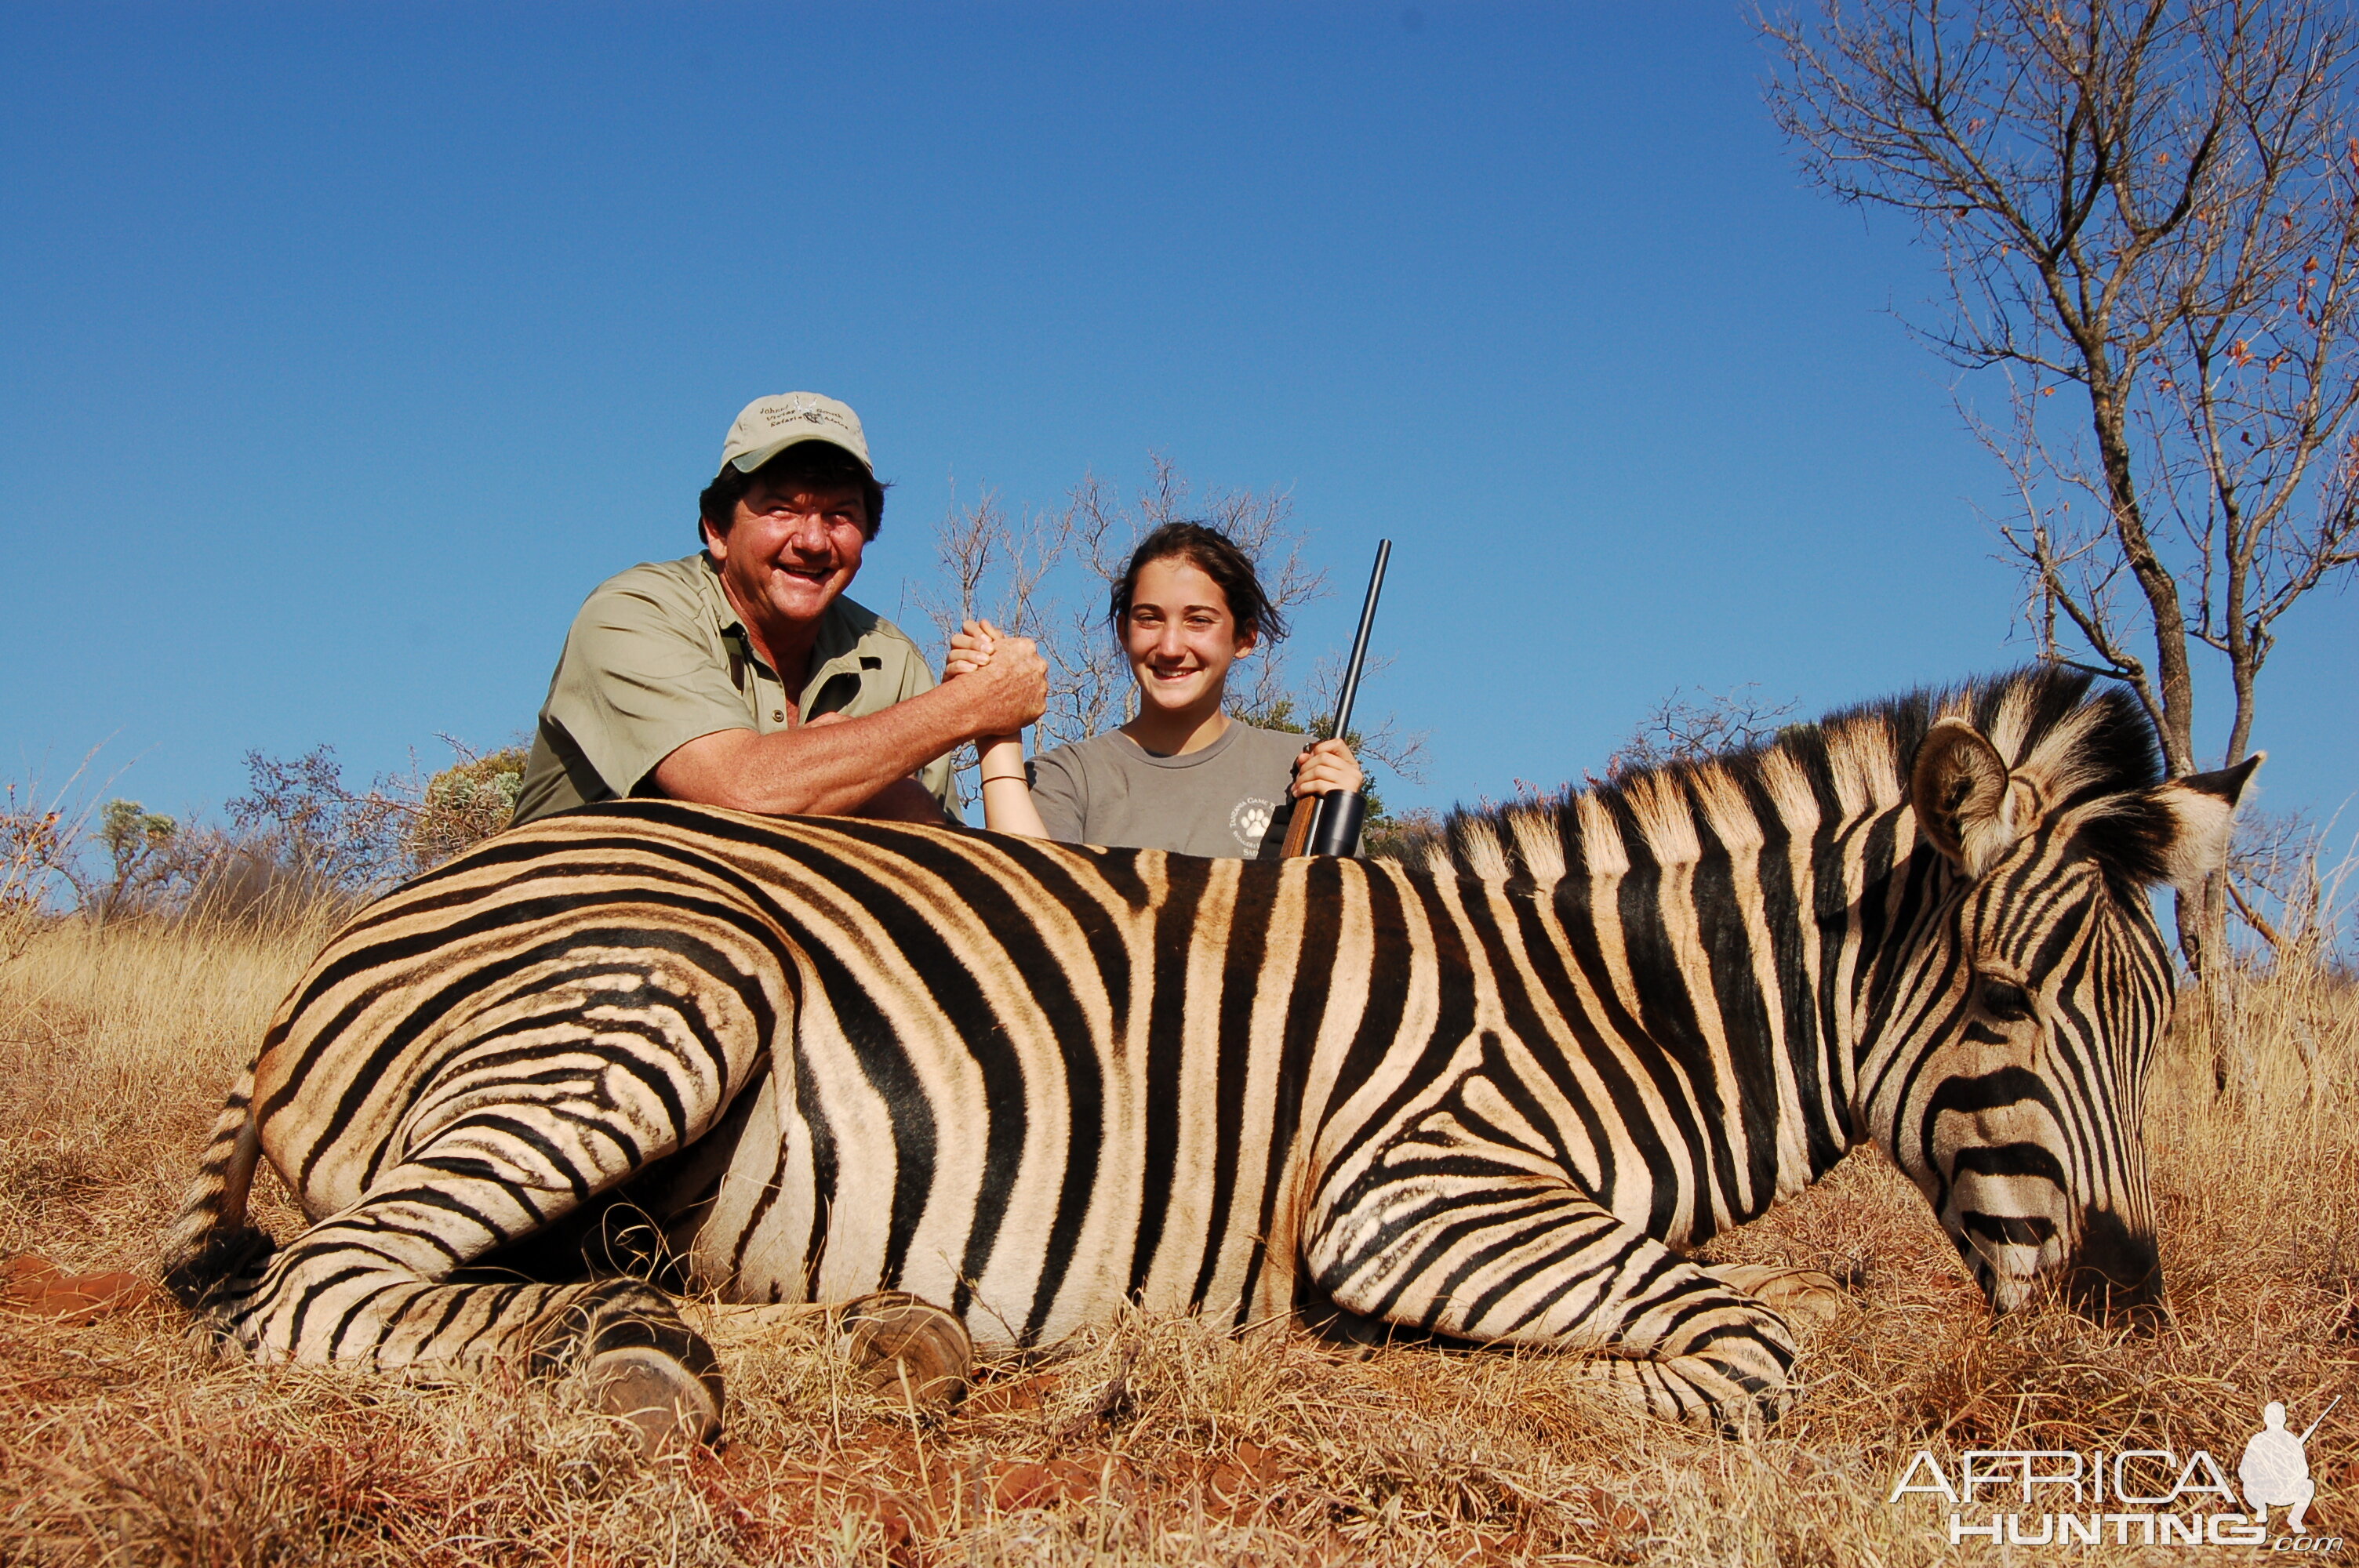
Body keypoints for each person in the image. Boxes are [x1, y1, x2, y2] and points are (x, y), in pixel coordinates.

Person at [511, 393, 1045, 827]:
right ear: (717, 530)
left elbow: (927, 839)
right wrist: (972, 705)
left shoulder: (892, 659)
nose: (813, 540)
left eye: (840, 514)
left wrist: (844, 768)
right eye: (781, 509)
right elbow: (740, 791)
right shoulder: (632, 613)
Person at [947, 521, 1361, 858]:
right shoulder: (1066, 777)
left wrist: (1342, 806)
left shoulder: (1303, 771)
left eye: (1199, 620)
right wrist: (994, 733)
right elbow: (1035, 908)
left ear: (1245, 639)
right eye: (1149, 619)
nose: (1170, 647)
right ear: (1123, 632)